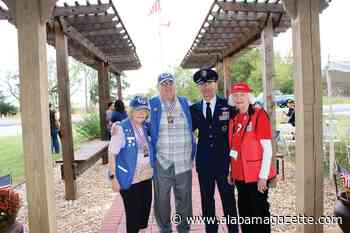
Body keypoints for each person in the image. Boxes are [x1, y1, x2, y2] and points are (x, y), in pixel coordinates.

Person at [190, 69, 239, 233]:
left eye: (209, 83)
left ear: (215, 84)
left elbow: (240, 128)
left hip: (225, 164)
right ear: (199, 87)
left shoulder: (228, 106)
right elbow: (181, 128)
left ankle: (233, 230)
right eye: (202, 84)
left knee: (229, 200)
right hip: (204, 164)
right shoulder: (194, 109)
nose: (206, 87)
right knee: (207, 201)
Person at [149, 73, 195, 233]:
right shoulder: (152, 104)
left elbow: (203, 116)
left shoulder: (185, 103)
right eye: (164, 84)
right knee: (161, 200)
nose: (167, 87)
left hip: (183, 162)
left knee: (185, 201)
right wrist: (119, 124)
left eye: (170, 84)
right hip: (163, 162)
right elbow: (137, 119)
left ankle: (184, 229)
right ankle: (165, 229)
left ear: (175, 86)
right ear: (159, 87)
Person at [228, 82, 277, 233]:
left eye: (242, 95)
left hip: (256, 176)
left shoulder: (259, 115)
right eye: (235, 96)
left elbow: (268, 150)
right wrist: (232, 171)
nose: (239, 99)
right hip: (240, 175)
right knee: (245, 213)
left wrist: (263, 177)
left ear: (249, 97)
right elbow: (234, 148)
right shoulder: (235, 118)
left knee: (259, 213)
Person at [108, 95, 154, 233]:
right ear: (131, 111)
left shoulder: (145, 126)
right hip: (129, 178)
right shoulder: (121, 128)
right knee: (133, 214)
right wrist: (113, 178)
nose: (142, 113)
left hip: (145, 176)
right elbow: (111, 153)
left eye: (145, 110)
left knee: (144, 210)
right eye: (138, 110)